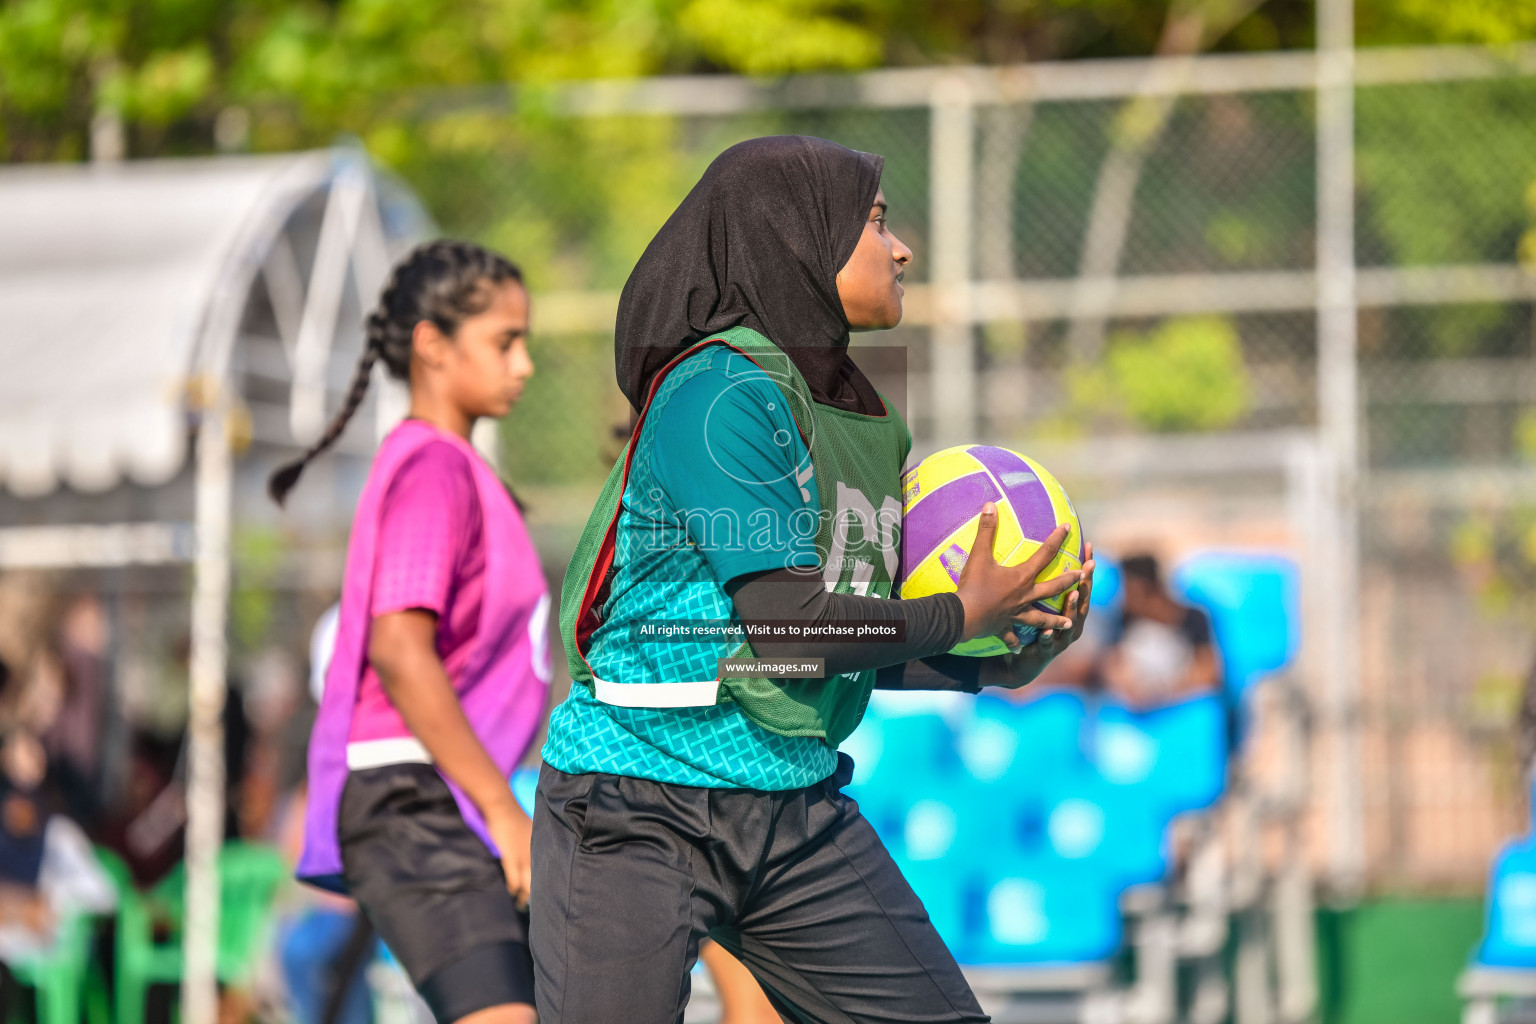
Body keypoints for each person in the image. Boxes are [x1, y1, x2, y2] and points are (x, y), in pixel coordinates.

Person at [534, 135, 1095, 1024]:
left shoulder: (870, 423)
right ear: (798, 237)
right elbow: (789, 627)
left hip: (790, 805)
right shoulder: (717, 393)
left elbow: (842, 640)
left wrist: (996, 662)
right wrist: (958, 613)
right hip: (636, 803)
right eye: (875, 223)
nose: (901, 247)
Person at [271, 240, 552, 1024]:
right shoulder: (432, 468)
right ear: (432, 344)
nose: (524, 364)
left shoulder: (462, 468)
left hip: (444, 795)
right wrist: (502, 808)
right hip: (413, 796)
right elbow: (399, 648)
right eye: (504, 341)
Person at [1097, 553, 1221, 708]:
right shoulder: (1123, 619)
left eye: (1127, 592)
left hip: (1182, 711)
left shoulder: (1194, 618)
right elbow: (1110, 667)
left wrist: (1162, 694)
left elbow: (1209, 671)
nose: (1121, 600)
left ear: (1146, 590)